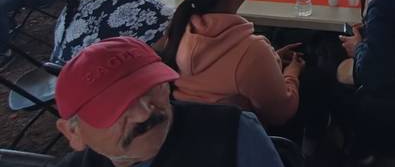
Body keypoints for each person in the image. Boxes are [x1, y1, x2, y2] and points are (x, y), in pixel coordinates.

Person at [55, 36, 283, 167]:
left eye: (151, 88)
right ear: (72, 133)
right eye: (114, 107)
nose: (144, 113)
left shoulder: (232, 132)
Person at [161, 0, 305, 127]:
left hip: (190, 132)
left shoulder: (179, 30)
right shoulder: (252, 51)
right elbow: (281, 113)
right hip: (237, 139)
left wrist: (272, 59)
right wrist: (292, 73)